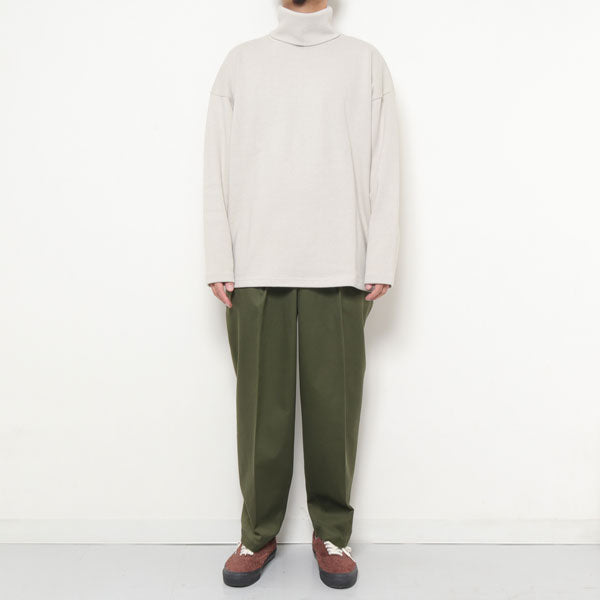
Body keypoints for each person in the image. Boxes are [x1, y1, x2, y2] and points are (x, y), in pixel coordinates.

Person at [203, 0, 400, 589]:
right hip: (255, 260)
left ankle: (332, 532)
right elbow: (215, 165)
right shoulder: (241, 63)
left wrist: (381, 255)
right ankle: (257, 533)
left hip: (339, 260)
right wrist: (218, 257)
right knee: (259, 412)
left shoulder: (364, 62)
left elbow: (385, 162)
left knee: (334, 411)